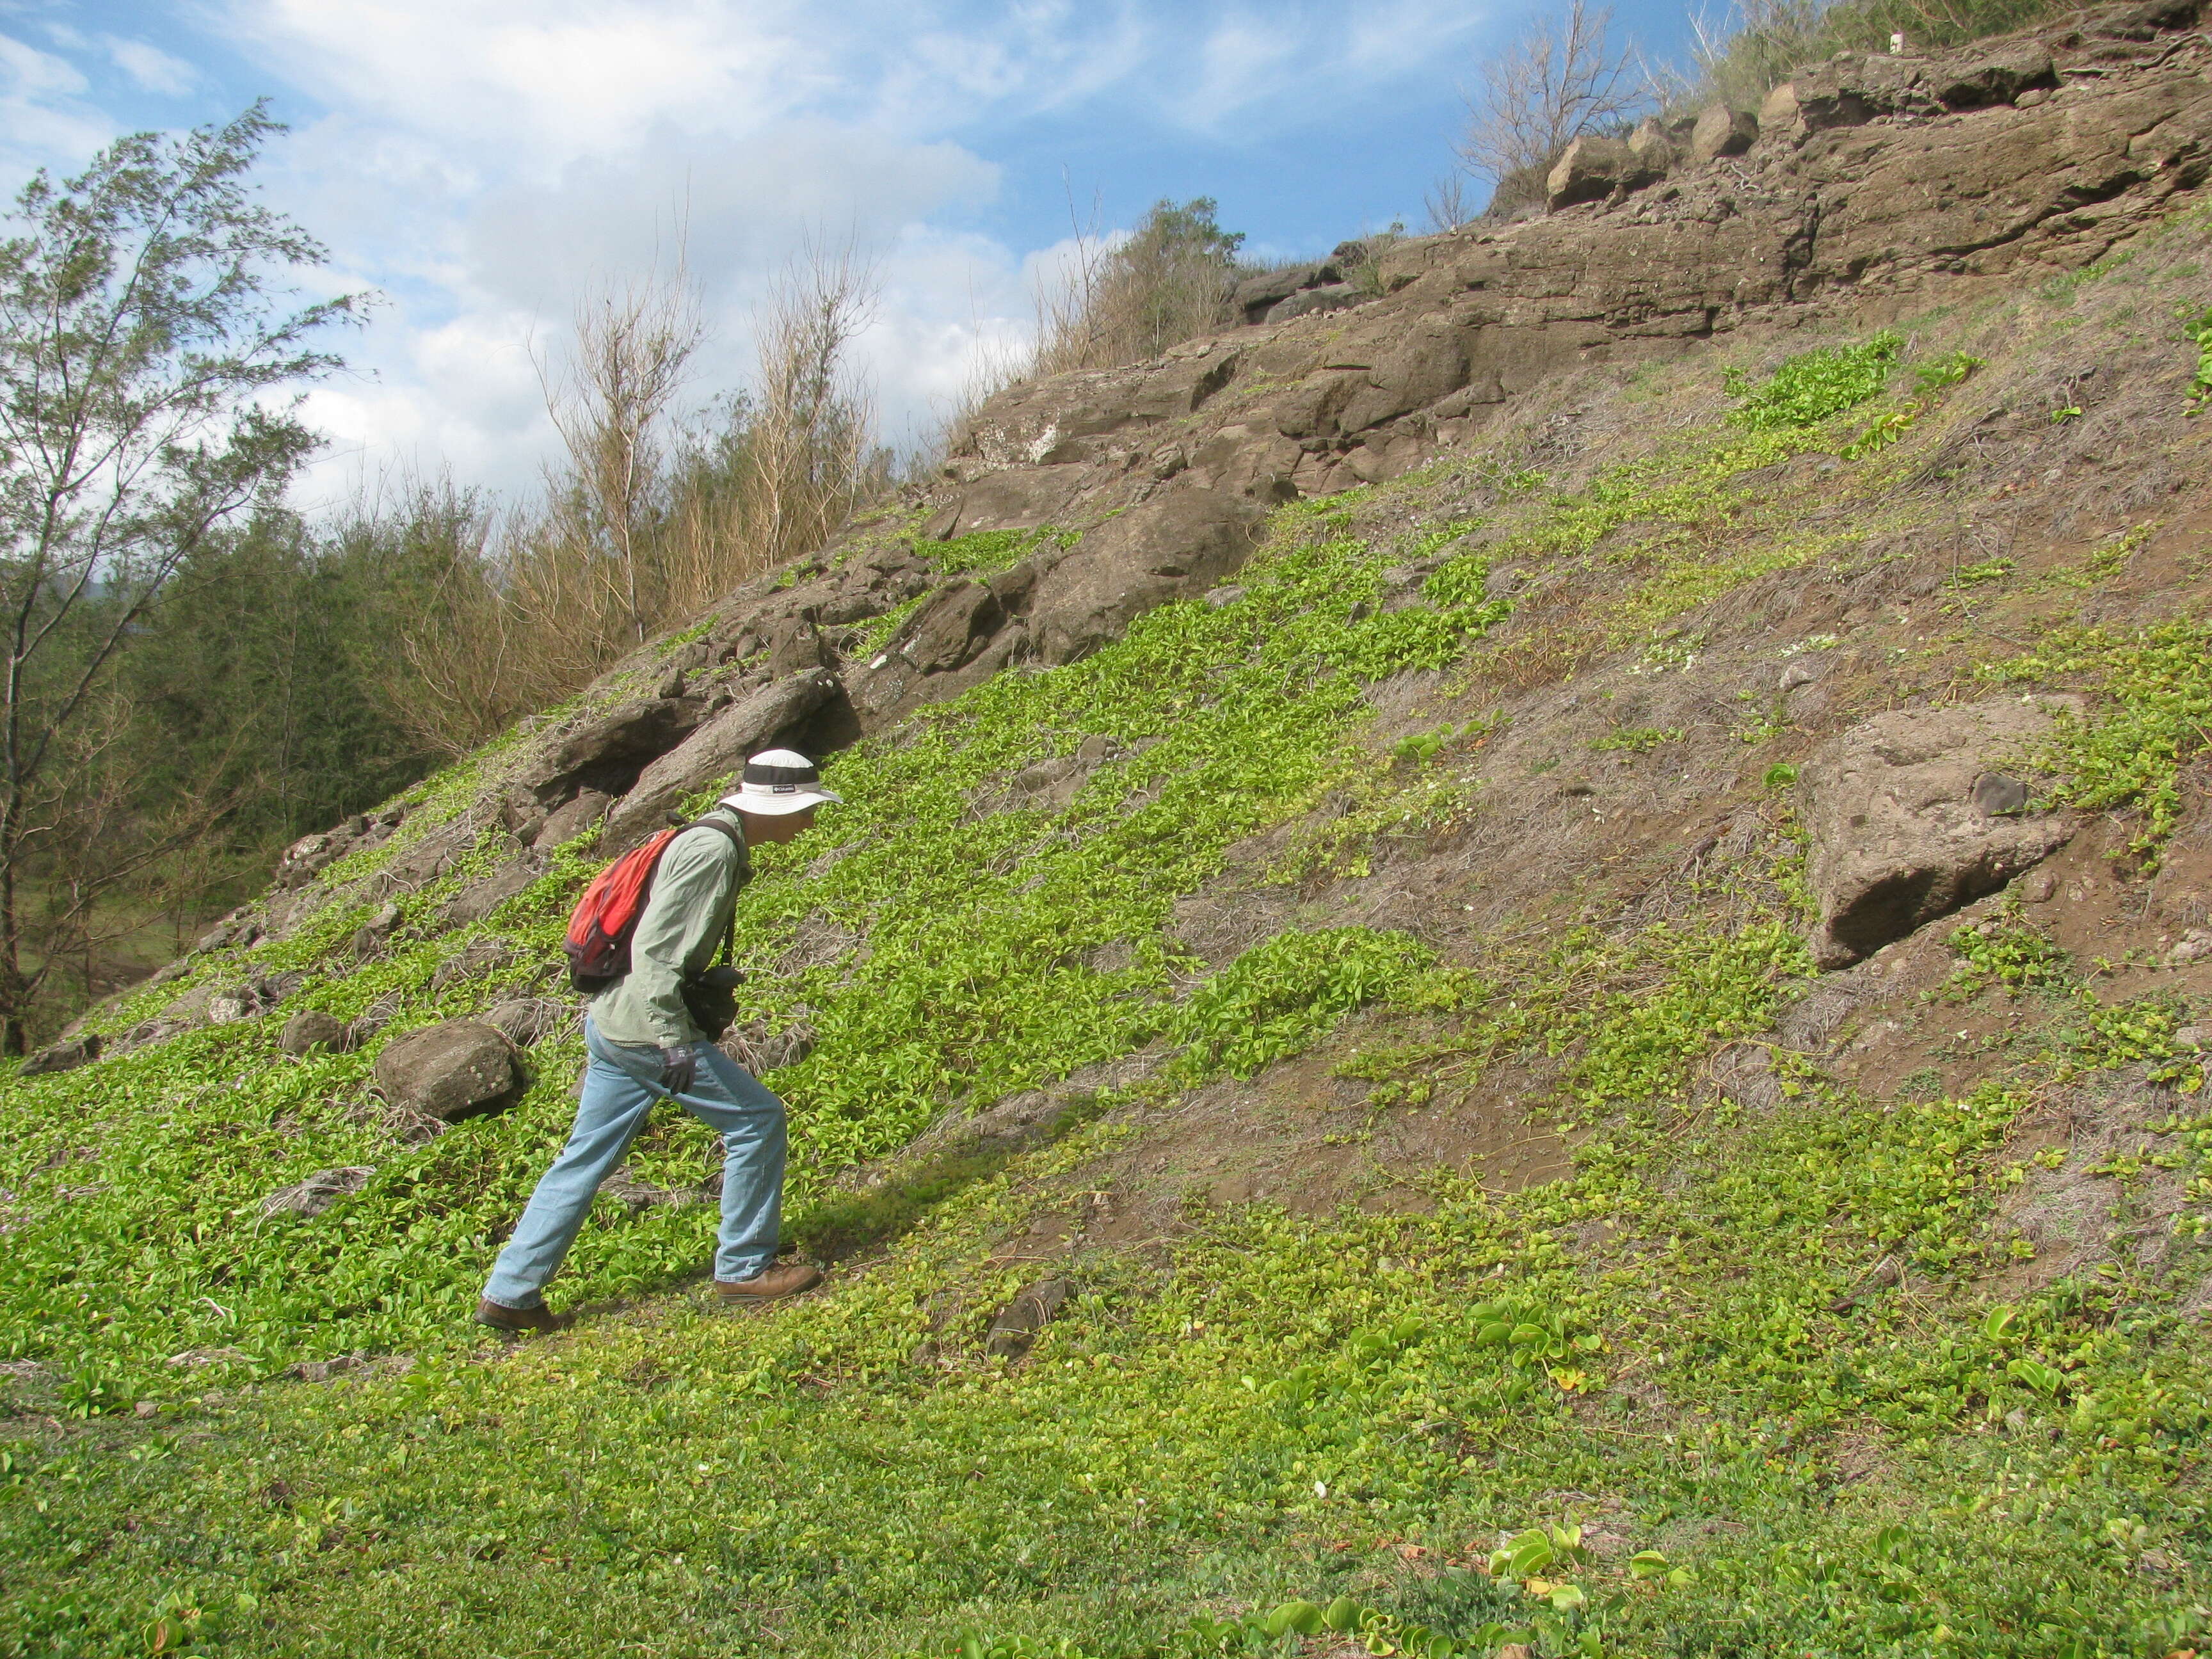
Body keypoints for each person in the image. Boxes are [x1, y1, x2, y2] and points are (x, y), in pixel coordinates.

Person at [476, 748, 839, 1333]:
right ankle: (745, 1267)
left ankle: (510, 1294)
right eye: (807, 809)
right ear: (777, 807)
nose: (812, 822)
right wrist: (674, 1042)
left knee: (583, 1159)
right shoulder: (713, 851)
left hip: (613, 1023)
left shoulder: (707, 836)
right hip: (648, 1031)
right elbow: (653, 955)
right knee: (758, 1121)